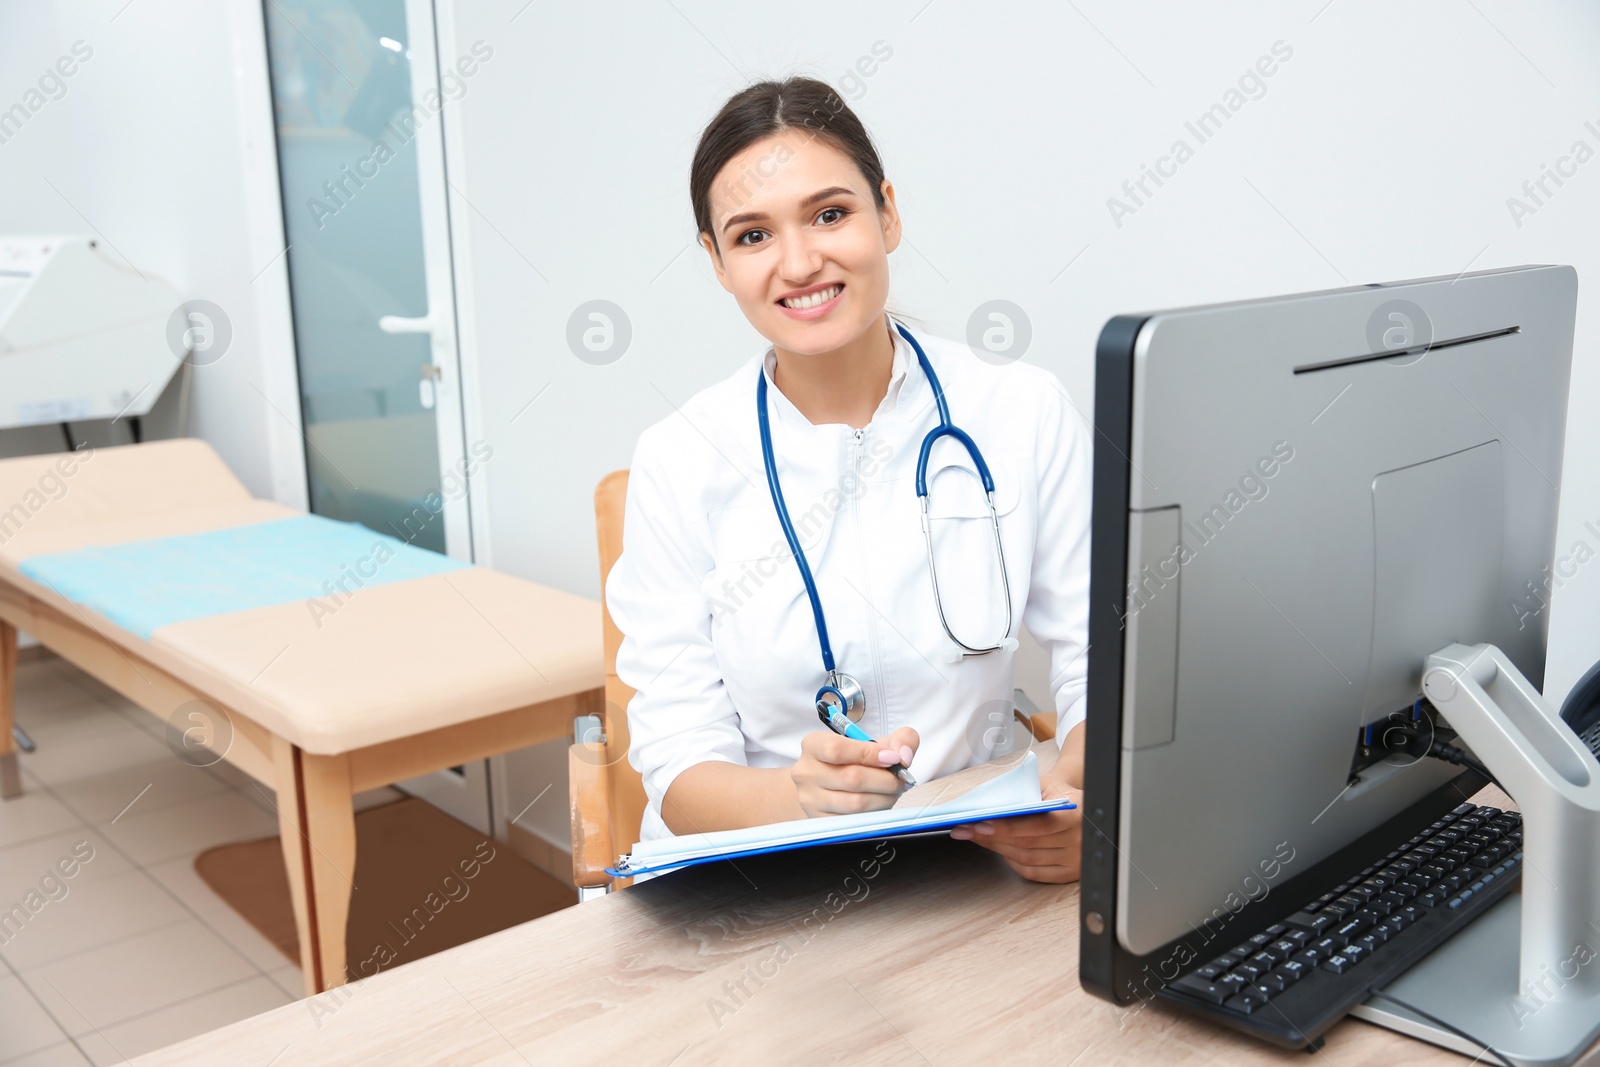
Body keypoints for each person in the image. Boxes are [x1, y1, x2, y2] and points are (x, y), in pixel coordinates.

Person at [605, 76, 1092, 883]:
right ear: (718, 262)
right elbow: (680, 768)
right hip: (761, 882)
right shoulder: (680, 459)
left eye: (830, 214)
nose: (800, 263)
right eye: (752, 235)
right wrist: (798, 796)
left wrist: (1084, 804)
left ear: (887, 213)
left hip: (974, 864)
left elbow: (1101, 656)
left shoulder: (1020, 410)